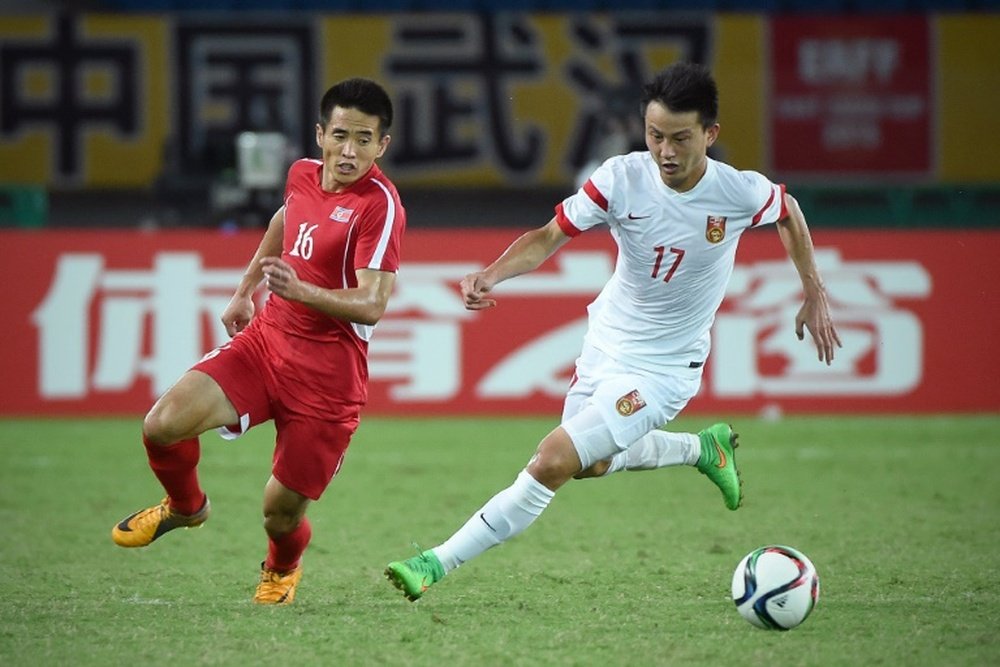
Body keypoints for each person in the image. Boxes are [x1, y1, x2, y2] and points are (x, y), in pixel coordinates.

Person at [384, 62, 840, 601]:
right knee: (590, 463)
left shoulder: (737, 192)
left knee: (552, 460)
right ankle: (702, 450)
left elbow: (787, 209)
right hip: (605, 344)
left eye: (680, 138)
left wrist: (813, 287)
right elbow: (551, 234)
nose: (665, 151)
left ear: (710, 135)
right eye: (654, 136)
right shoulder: (622, 178)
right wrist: (491, 272)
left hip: (665, 370)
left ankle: (434, 562)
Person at [112, 78, 406, 605]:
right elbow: (285, 219)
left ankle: (281, 566)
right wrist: (245, 290)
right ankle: (185, 506)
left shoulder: (379, 206)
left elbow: (373, 304)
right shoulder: (301, 175)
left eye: (364, 139)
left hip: (328, 382)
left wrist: (303, 291)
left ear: (382, 145)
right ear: (320, 134)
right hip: (267, 345)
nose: (349, 150)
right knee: (162, 425)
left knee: (279, 512)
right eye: (340, 135)